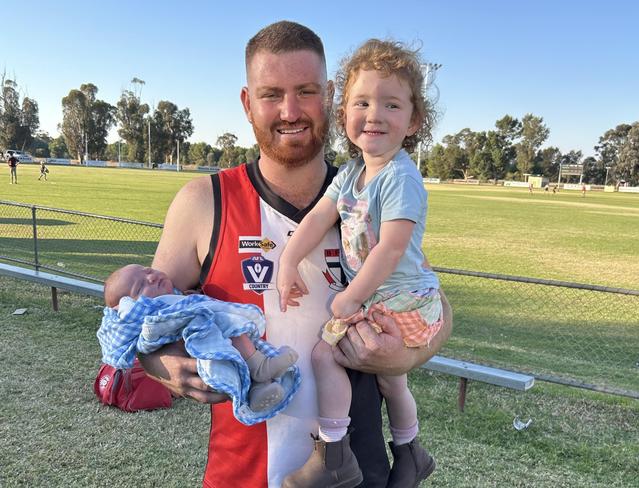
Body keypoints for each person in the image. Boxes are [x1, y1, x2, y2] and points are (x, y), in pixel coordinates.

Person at [137, 21, 452, 488]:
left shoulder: (370, 196)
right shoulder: (204, 202)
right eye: (271, 94)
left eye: (305, 91)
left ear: (328, 96)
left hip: (358, 474)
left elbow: (435, 306)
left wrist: (406, 355)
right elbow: (149, 315)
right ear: (247, 103)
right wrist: (162, 365)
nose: (289, 111)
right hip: (241, 473)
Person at [277, 39, 441, 488]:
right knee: (392, 384)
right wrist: (289, 258)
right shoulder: (351, 173)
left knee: (325, 355)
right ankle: (410, 454)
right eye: (362, 102)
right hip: (381, 296)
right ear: (343, 111)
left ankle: (334, 458)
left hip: (399, 298)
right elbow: (318, 218)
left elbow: (389, 249)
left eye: (391, 104)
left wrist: (350, 295)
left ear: (413, 120)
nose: (374, 115)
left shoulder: (400, 177)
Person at [98, 264, 300, 420]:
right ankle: (260, 367)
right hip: (202, 346)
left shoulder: (175, 295)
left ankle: (258, 389)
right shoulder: (150, 312)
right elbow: (143, 331)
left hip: (213, 338)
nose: (151, 277)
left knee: (234, 335)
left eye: (148, 270)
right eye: (140, 286)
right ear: (129, 305)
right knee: (232, 329)